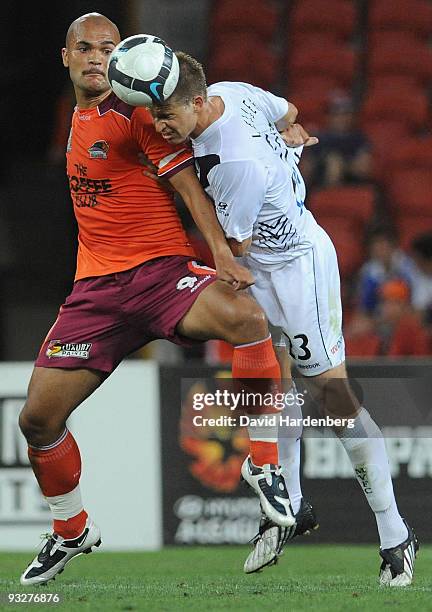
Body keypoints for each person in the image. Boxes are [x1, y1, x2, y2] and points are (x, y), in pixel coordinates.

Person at [18, 13, 296, 587]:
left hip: (161, 275)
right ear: (65, 57)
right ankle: (71, 531)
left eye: (109, 49)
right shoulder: (72, 117)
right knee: (38, 420)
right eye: (86, 48)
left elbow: (187, 183)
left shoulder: (135, 113)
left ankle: (265, 465)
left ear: (123, 59)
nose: (98, 57)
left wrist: (218, 250)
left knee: (247, 318)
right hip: (96, 293)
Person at [150, 53, 419, 585]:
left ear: (199, 102)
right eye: (156, 114)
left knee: (332, 396)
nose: (161, 127)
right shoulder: (235, 91)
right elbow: (289, 108)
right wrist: (290, 129)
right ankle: (292, 506)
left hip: (295, 269)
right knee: (276, 386)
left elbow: (236, 245)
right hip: (263, 264)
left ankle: (396, 535)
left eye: (169, 116)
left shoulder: (233, 164)